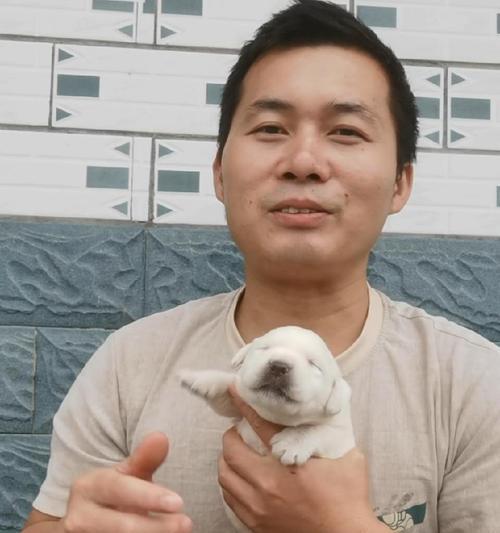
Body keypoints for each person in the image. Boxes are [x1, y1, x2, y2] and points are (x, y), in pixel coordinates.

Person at [23, 1, 500, 532]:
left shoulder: (474, 384)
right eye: (271, 127)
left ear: (399, 184)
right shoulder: (127, 365)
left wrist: (344, 525)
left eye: (346, 132)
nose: (304, 163)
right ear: (220, 173)